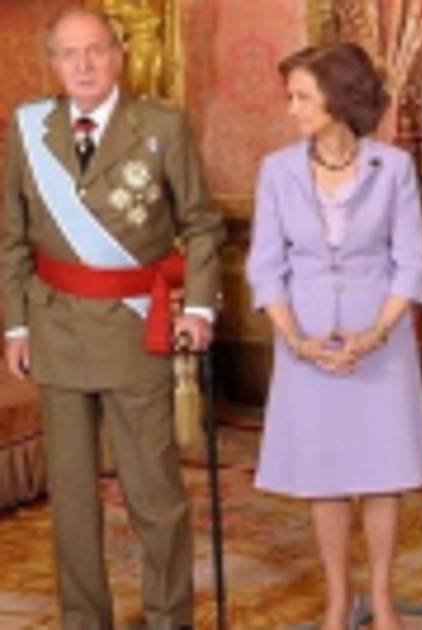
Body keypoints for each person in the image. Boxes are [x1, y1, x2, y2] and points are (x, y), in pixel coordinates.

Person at [1, 7, 224, 629]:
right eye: (69, 54)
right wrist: (16, 326)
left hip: (134, 330)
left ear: (118, 55)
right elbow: (12, 237)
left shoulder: (161, 126)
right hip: (55, 330)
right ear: (53, 63)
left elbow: (202, 226)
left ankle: (169, 618)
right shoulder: (29, 128)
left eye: (95, 50)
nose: (83, 65)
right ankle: (83, 619)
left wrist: (198, 308)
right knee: (72, 500)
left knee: (154, 494)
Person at [246, 43, 422, 630]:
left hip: (379, 342)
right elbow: (265, 268)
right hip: (305, 344)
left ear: (338, 98)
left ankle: (381, 600)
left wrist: (376, 334)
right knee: (323, 475)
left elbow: (412, 265)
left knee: (382, 474)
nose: (292, 109)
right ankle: (338, 599)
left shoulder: (394, 168)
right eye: (291, 97)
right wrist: (295, 339)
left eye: (303, 97)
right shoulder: (277, 170)